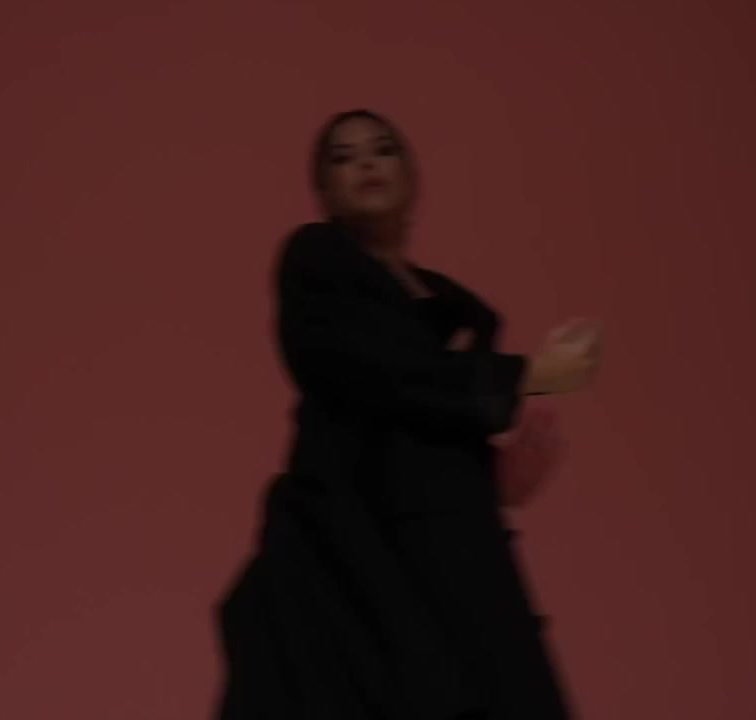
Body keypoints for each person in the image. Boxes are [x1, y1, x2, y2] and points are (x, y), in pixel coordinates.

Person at [213, 109, 601, 720]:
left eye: (382, 149)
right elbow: (374, 370)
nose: (366, 163)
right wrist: (526, 376)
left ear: (413, 176)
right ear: (324, 191)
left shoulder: (453, 308)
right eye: (343, 158)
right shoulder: (316, 260)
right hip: (354, 558)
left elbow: (424, 418)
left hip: (453, 556)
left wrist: (495, 480)